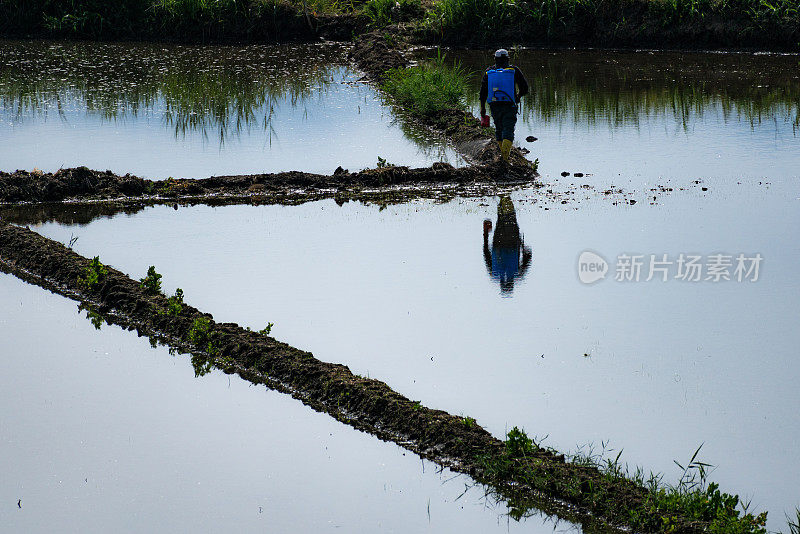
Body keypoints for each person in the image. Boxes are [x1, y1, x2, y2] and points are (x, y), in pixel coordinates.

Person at [480, 49, 529, 162]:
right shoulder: (513, 70)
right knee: (508, 129)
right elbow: (524, 88)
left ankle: (503, 156)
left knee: (499, 129)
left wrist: (482, 108)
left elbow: (483, 91)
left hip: (494, 105)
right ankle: (505, 159)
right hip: (509, 105)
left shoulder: (489, 71)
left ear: (495, 59)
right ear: (508, 59)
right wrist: (518, 95)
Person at [483, 196, 532, 294]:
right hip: (499, 243)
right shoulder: (494, 274)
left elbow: (528, 255)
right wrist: (485, 234)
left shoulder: (518, 274)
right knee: (501, 218)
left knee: (509, 216)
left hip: (512, 241)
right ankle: (501, 195)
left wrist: (522, 246)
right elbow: (486, 252)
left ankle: (503, 193)